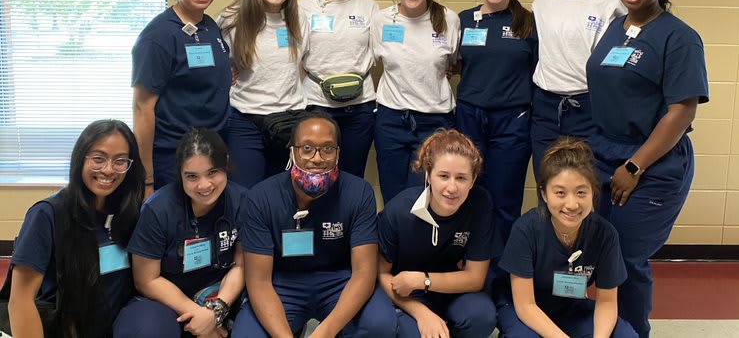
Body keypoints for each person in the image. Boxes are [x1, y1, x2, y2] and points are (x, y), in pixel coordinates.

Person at [586, 0, 709, 338]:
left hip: (651, 162)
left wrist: (635, 166)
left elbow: (682, 112)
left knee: (626, 259)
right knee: (595, 252)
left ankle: (633, 332)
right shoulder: (616, 27)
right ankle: (598, 327)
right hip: (603, 153)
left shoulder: (680, 38)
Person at [232, 111, 396, 338]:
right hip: (282, 282)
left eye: (327, 148)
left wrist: (325, 332)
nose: (317, 158)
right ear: (292, 151)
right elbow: (258, 281)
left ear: (338, 153)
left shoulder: (359, 193)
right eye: (307, 148)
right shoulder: (261, 197)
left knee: (380, 324)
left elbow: (364, 272)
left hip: (340, 279)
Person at [3, 119, 144, 338]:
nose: (108, 170)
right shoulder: (47, 214)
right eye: (98, 158)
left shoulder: (129, 212)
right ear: (81, 159)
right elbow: (20, 301)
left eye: (120, 161)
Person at [498, 138, 637, 338]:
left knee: (625, 335)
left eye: (581, 192)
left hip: (570, 307)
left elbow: (607, 301)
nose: (571, 204)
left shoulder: (604, 234)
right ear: (544, 194)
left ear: (593, 192)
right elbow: (526, 305)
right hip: (524, 308)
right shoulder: (526, 230)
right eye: (560, 193)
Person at [117, 128, 247, 338]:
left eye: (212, 172)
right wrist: (202, 317)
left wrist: (216, 311)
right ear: (180, 174)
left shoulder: (241, 201)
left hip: (223, 296)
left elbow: (242, 265)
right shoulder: (158, 210)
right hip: (166, 301)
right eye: (192, 176)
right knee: (148, 329)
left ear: (225, 164)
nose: (204, 185)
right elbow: (146, 280)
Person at [377, 129, 498, 338]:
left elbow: (475, 278)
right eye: (443, 176)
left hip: (451, 289)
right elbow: (382, 274)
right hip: (408, 293)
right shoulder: (399, 211)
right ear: (428, 175)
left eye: (461, 178)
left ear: (472, 180)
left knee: (481, 316)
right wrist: (421, 313)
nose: (452, 187)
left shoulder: (480, 204)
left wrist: (423, 280)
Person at [132, 0, 231, 193]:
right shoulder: (158, 36)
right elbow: (142, 109)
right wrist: (146, 179)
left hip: (212, 152)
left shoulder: (209, 25)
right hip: (174, 158)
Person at [455, 0, 537, 243]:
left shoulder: (528, 23)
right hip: (469, 116)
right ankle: (470, 258)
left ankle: (501, 265)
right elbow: (453, 62)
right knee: (468, 190)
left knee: (504, 197)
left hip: (512, 120)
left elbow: (538, 70)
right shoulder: (464, 20)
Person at [530, 0, 626, 177]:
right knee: (547, 180)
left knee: (588, 180)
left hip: (589, 105)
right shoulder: (542, 2)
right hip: (546, 107)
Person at [371, 0, 461, 202]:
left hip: (435, 120)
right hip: (392, 119)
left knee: (423, 196)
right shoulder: (381, 20)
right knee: (392, 195)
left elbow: (454, 61)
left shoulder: (448, 19)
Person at [218, 0, 309, 188]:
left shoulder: (300, 19)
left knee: (284, 196)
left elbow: (310, 63)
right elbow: (216, 65)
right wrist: (226, 75)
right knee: (245, 195)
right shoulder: (231, 19)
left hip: (289, 121)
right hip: (245, 122)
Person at [300, 0, 379, 178]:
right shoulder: (304, 7)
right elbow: (289, 52)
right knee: (316, 173)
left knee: (352, 174)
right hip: (317, 103)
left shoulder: (369, 7)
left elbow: (384, 50)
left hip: (360, 107)